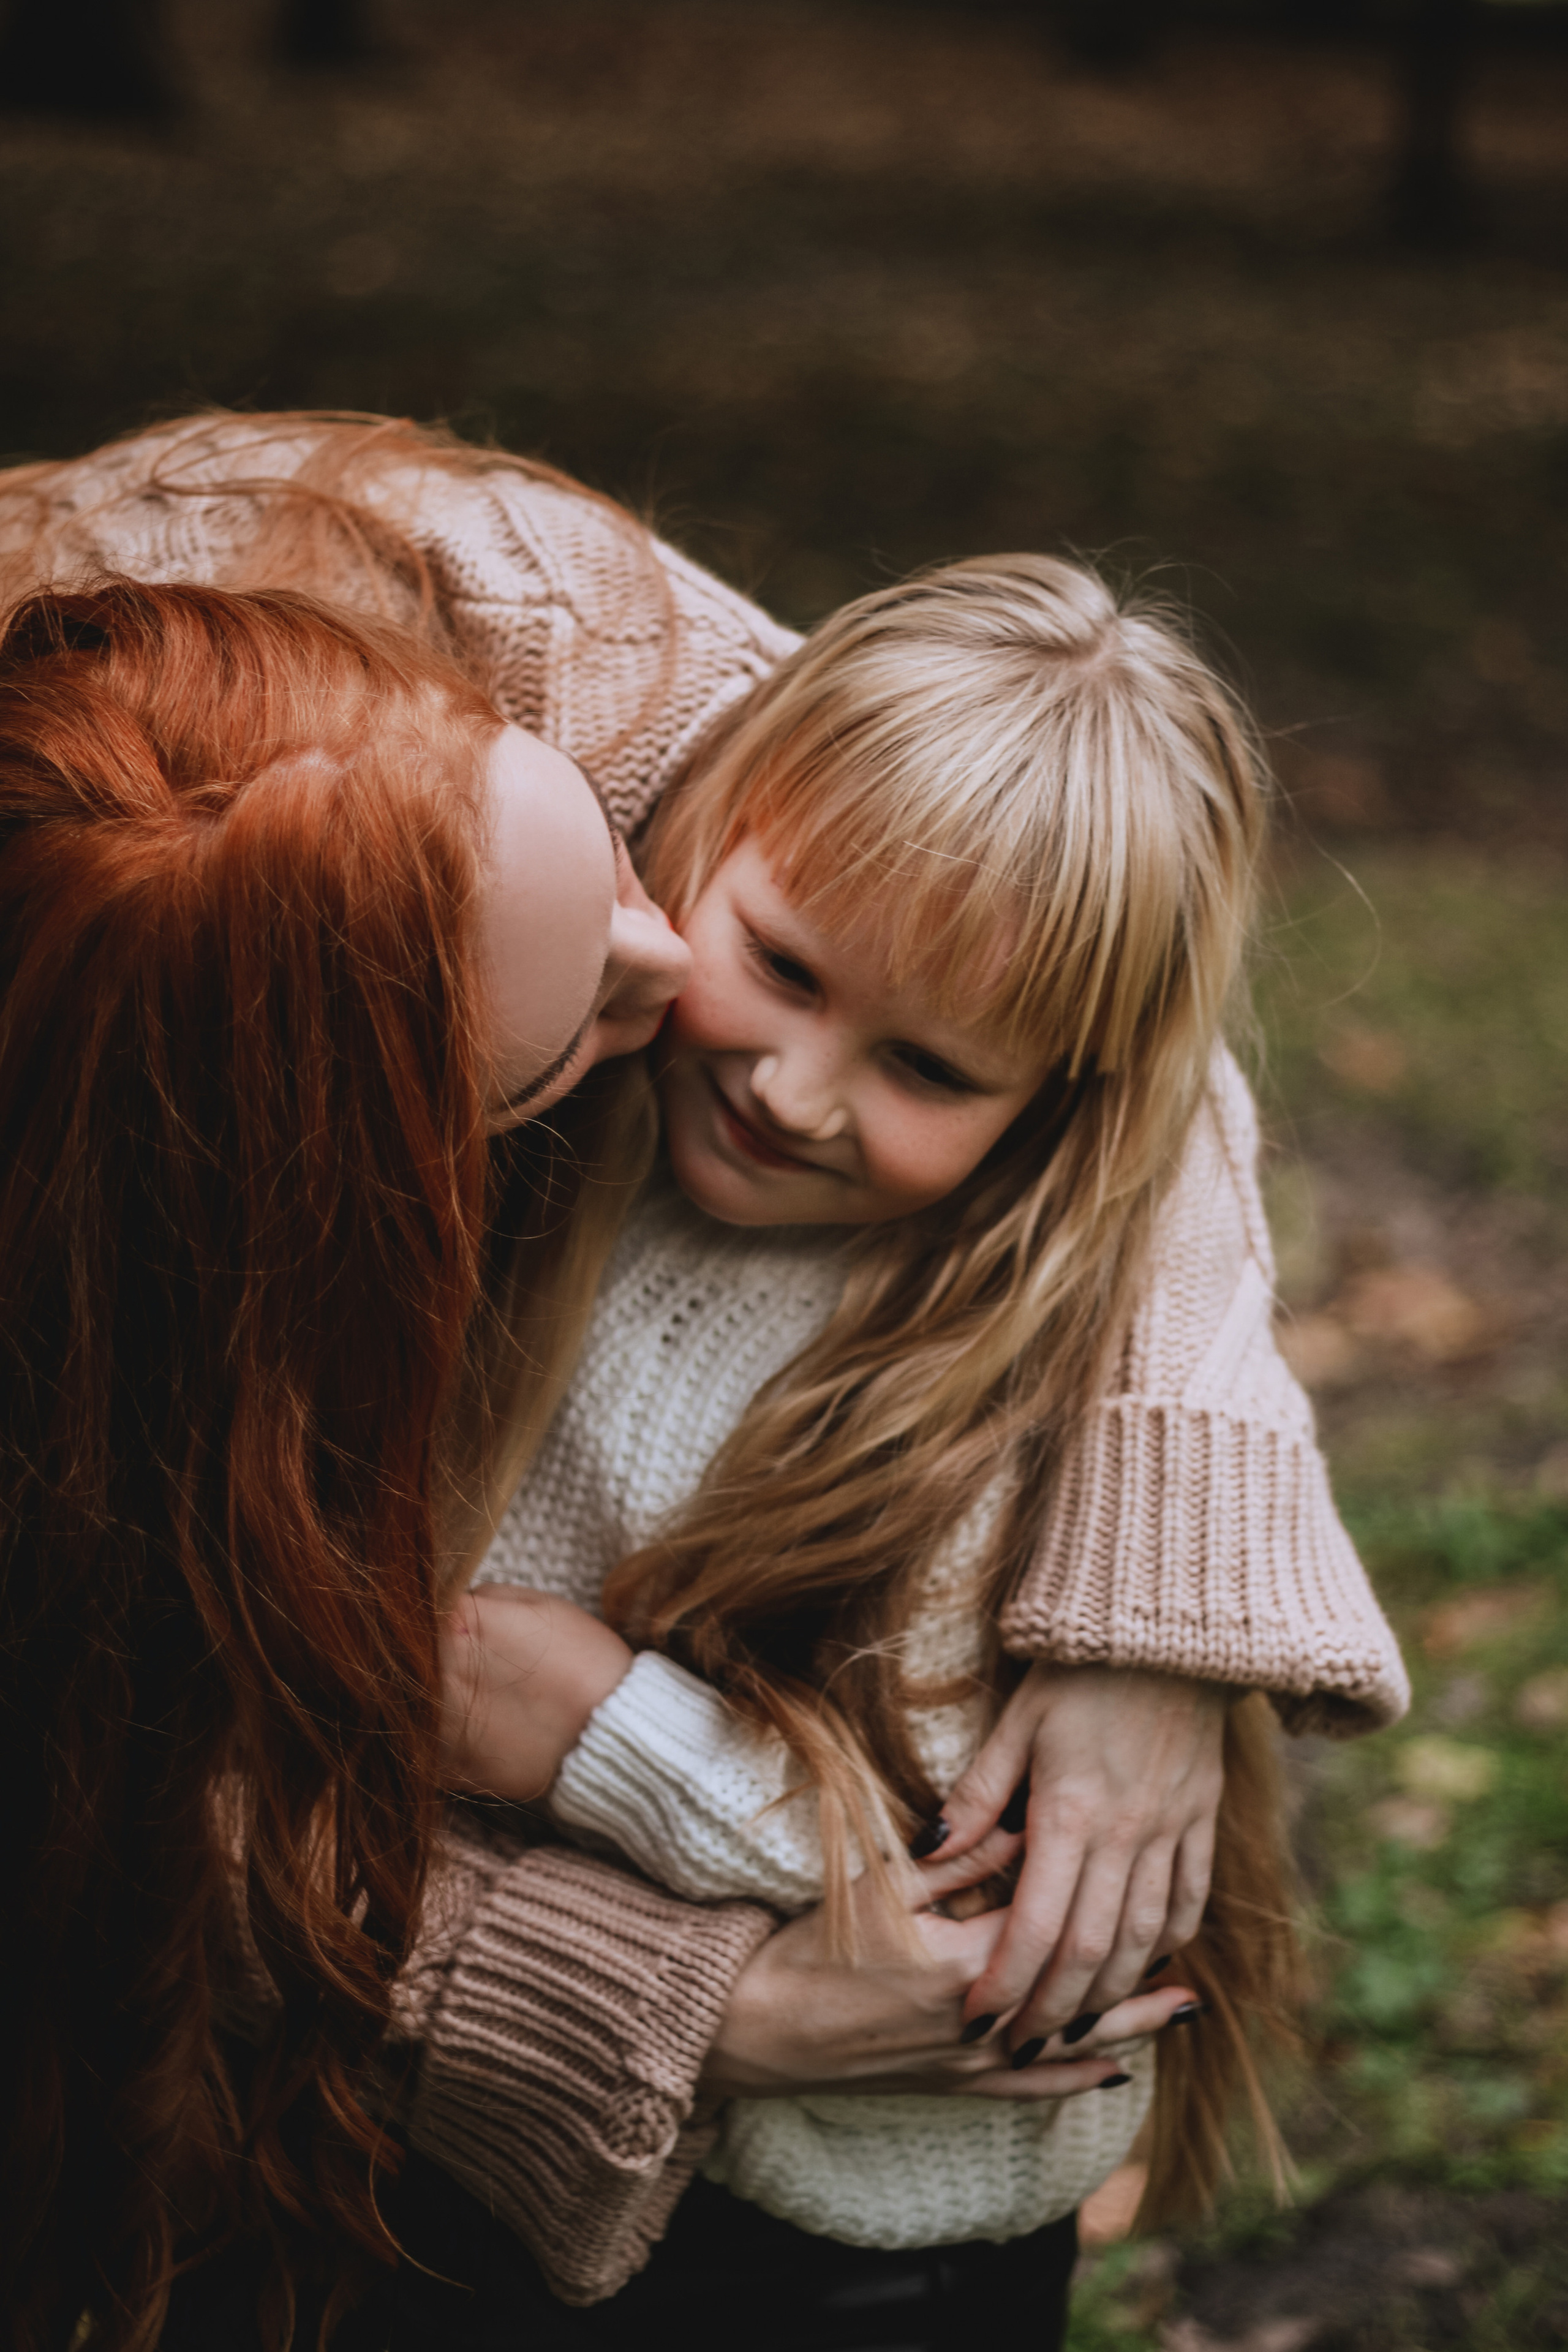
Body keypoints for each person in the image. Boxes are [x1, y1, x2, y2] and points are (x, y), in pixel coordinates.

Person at [0, 415, 1406, 2351]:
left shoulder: (597, 663)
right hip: (392, 2193)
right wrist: (680, 1982)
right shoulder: (186, 1325)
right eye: (557, 1036)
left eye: (929, 1071)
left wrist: (1155, 1628)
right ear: (295, 1158)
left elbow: (1085, 958)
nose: (701, 1014)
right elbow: (133, 1817)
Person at [432, 552, 1406, 2345]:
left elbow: (1033, 1938)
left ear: (1065, 1101)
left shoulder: (1003, 1346)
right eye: (782, 964)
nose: (795, 1089)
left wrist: (613, 1736)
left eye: (930, 1071)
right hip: (432, 2183)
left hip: (881, 2257)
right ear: (703, 827)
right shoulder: (501, 1161)